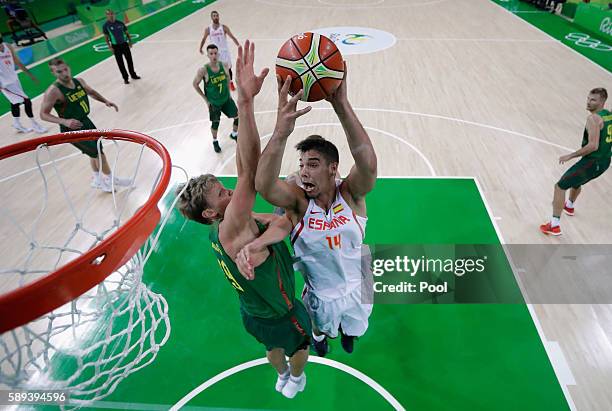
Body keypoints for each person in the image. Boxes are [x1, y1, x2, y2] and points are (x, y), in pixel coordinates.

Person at [177, 41, 311, 398]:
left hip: (252, 312)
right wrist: (247, 104)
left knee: (271, 350)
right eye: (221, 193)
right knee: (300, 349)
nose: (228, 192)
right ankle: (294, 378)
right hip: (281, 311)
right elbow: (249, 171)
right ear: (210, 213)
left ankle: (280, 373)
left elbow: (280, 223)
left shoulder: (228, 229)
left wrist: (264, 238)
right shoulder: (233, 222)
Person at [253, 67, 378, 357]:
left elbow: (368, 166)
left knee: (355, 328)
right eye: (301, 165)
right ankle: (321, 339)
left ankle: (349, 334)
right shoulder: (298, 203)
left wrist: (341, 105)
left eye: (312, 164)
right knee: (320, 330)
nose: (303, 171)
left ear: (332, 169)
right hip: (321, 295)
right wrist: (281, 132)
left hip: (360, 284)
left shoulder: (350, 194)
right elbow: (264, 185)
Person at [40, 58, 131, 193]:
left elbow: (92, 92)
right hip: (71, 129)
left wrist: (105, 101)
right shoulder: (53, 91)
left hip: (85, 121)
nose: (64, 73)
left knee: (95, 151)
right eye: (59, 72)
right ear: (53, 73)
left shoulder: (79, 81)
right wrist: (64, 121)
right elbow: (43, 114)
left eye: (66, 69)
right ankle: (110, 178)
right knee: (98, 153)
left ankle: (97, 179)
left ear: (69, 67)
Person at [540, 88, 611, 236]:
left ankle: (554, 225)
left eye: (593, 100)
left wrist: (570, 156)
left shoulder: (593, 119)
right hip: (605, 162)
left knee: (560, 186)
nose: (589, 102)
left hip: (592, 162)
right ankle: (569, 206)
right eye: (588, 98)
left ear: (602, 102)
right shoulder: (608, 116)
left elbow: (593, 145)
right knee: (577, 180)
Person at [192, 44, 239, 153]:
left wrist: (228, 92)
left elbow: (228, 78)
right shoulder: (203, 70)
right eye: (211, 53)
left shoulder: (224, 65)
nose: (214, 56)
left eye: (215, 53)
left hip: (226, 99)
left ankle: (234, 134)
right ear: (208, 55)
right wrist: (206, 100)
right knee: (215, 123)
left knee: (238, 116)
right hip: (214, 103)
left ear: (218, 54)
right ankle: (215, 141)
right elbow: (195, 84)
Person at [0, 34, 46, 133]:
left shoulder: (8, 46)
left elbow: (17, 62)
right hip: (5, 84)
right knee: (27, 100)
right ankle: (35, 125)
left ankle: (17, 123)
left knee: (15, 103)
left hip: (14, 79)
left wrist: (30, 75)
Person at [198, 10, 239, 91]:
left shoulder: (223, 27)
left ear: (219, 16)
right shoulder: (208, 29)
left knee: (228, 68)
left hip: (224, 51)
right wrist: (200, 48)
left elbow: (232, 37)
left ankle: (230, 83)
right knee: (216, 69)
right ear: (211, 17)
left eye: (217, 15)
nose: (216, 17)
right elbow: (203, 39)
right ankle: (219, 84)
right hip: (214, 53)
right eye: (214, 16)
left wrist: (238, 45)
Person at [103, 9, 140, 85]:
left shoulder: (120, 23)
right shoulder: (105, 26)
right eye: (108, 14)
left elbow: (127, 33)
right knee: (120, 63)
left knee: (129, 60)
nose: (110, 15)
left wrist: (130, 41)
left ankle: (133, 75)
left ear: (114, 14)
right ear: (106, 16)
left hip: (124, 44)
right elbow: (106, 38)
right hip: (116, 47)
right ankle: (125, 78)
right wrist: (110, 47)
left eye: (111, 13)